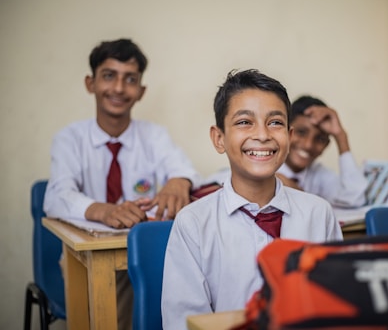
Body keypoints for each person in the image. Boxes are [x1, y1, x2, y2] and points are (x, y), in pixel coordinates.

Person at [161, 69, 343, 330]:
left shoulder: (318, 214)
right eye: (245, 122)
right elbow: (183, 322)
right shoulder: (193, 223)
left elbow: (336, 308)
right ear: (219, 138)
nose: (262, 135)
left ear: (289, 136)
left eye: (275, 122)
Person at [43, 38, 201, 329]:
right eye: (108, 76)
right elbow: (55, 196)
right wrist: (102, 211)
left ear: (141, 91)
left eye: (130, 79)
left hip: (140, 253)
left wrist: (179, 181)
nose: (118, 88)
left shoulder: (154, 136)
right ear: (90, 83)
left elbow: (184, 170)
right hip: (88, 257)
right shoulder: (70, 139)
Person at [206, 95, 368, 210]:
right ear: (286, 132)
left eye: (319, 139)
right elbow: (218, 183)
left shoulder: (319, 175)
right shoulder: (259, 165)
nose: (308, 145)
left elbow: (354, 198)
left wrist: (341, 137)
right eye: (301, 132)